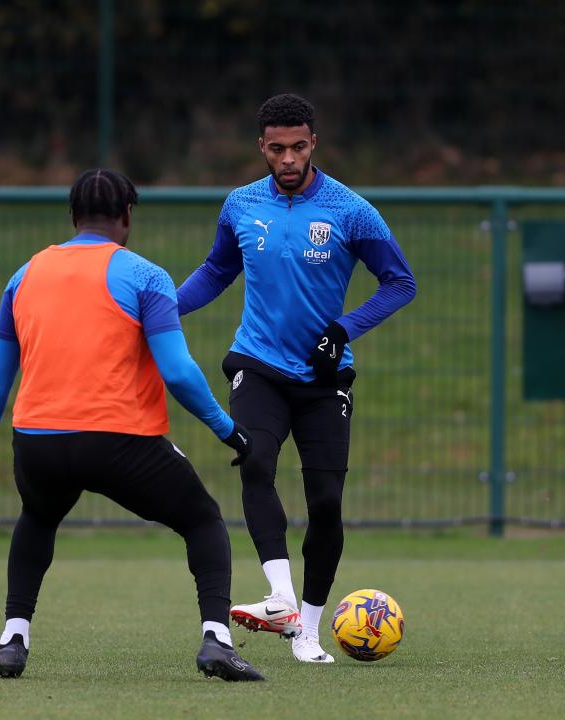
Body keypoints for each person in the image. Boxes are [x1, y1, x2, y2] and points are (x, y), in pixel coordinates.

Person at [0, 169, 264, 682]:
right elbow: (178, 371)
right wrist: (228, 429)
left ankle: (12, 641)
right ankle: (217, 643)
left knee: (38, 518)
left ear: (72, 219)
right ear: (127, 216)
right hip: (120, 442)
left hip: (38, 443)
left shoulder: (23, 276)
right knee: (203, 520)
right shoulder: (146, 276)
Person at [176, 94, 417, 663]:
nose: (288, 158)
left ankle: (307, 629)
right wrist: (162, 310)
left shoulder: (351, 210)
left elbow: (400, 282)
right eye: (277, 148)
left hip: (323, 376)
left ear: (314, 145)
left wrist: (346, 327)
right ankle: (281, 599)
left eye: (299, 147)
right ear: (262, 147)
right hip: (256, 363)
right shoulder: (240, 205)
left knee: (326, 500)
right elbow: (216, 270)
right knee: (255, 461)